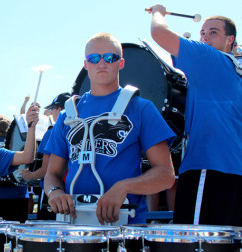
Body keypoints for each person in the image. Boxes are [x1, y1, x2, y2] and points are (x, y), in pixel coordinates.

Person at [44, 32, 176, 225]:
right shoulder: (68, 115)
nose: (102, 63)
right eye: (94, 58)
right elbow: (52, 174)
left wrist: (124, 187)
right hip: (73, 226)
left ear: (121, 63)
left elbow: (165, 175)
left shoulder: (141, 108)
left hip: (124, 224)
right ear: (86, 64)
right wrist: (54, 192)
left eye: (110, 57)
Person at [149, 5, 242, 226]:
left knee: (195, 241)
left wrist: (158, 13)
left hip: (208, 167)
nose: (205, 37)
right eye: (202, 32)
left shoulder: (210, 58)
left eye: (213, 32)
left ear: (230, 40)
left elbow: (159, 33)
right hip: (233, 169)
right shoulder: (234, 70)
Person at [21, 92, 71, 219]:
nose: (51, 112)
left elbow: (46, 171)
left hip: (53, 194)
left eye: (51, 109)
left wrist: (29, 175)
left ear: (59, 109)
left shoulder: (51, 133)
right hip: (72, 193)